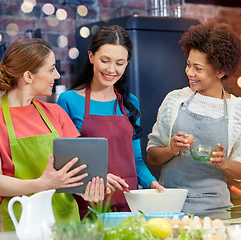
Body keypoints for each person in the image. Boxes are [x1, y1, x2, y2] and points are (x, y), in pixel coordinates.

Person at [0, 38, 105, 231]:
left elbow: (77, 169)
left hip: (68, 224)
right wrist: (42, 184)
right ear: (28, 76)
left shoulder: (55, 113)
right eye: (51, 69)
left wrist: (91, 184)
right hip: (23, 225)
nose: (57, 75)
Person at [147, 22, 241, 213]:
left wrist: (225, 164)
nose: (190, 72)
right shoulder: (174, 100)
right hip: (170, 206)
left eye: (198, 68)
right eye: (188, 64)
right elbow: (152, 156)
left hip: (216, 210)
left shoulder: (240, 111)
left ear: (220, 71)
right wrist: (171, 149)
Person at [57, 25, 164, 217]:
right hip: (87, 204)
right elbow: (65, 164)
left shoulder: (130, 102)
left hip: (128, 205)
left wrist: (152, 183)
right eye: (105, 60)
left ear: (127, 63)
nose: (111, 70)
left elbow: (136, 160)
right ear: (91, 57)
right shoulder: (68, 101)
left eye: (120, 63)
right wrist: (96, 177)